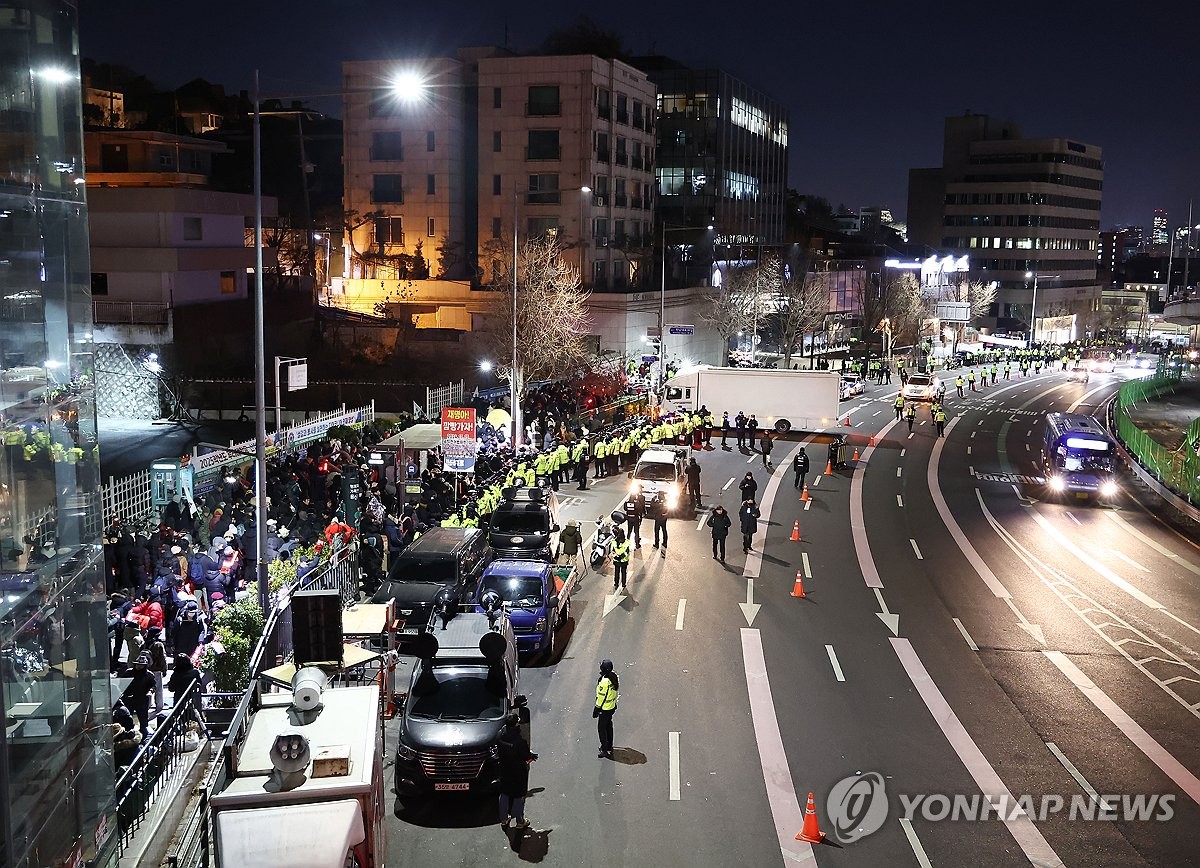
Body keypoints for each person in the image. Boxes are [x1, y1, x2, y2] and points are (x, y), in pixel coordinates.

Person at [497, 712, 537, 830]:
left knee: (504, 794)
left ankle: (503, 819)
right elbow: (526, 756)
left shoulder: (500, 735)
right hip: (518, 772)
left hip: (504, 769)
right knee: (519, 796)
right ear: (515, 724)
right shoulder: (519, 742)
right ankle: (520, 821)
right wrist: (532, 756)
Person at [121, 652, 156, 739]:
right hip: (129, 700)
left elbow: (153, 686)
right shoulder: (128, 672)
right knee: (127, 720)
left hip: (142, 700)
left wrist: (150, 691)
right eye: (137, 664)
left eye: (141, 665)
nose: (139, 666)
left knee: (143, 722)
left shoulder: (149, 675)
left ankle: (144, 737)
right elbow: (121, 683)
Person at [594, 660, 619, 759]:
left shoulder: (604, 682)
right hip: (611, 707)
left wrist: (596, 709)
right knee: (608, 726)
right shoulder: (613, 676)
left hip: (605, 709)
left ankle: (604, 749)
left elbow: (601, 697)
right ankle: (609, 745)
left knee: (601, 729)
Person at [611, 527, 630, 591]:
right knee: (623, 572)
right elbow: (627, 552)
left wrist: (616, 557)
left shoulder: (613, 542)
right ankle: (623, 584)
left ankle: (616, 583)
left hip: (616, 560)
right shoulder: (627, 542)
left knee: (617, 572)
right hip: (624, 561)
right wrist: (621, 557)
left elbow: (612, 551)